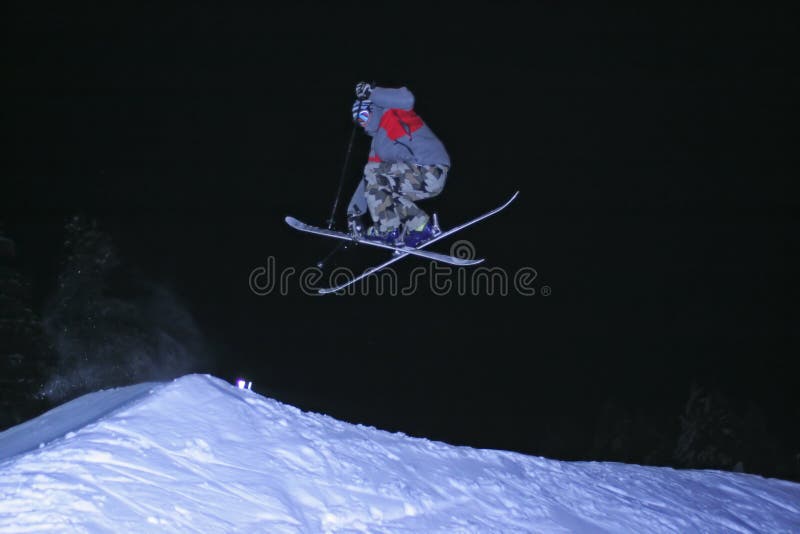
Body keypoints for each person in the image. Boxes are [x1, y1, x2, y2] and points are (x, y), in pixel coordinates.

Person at [346, 82, 451, 248]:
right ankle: (420, 227)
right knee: (383, 190)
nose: (364, 124)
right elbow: (369, 182)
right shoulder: (377, 146)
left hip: (430, 167)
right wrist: (354, 213)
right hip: (420, 177)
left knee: (375, 174)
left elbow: (407, 99)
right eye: (359, 121)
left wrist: (371, 92)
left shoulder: (392, 112)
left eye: (364, 116)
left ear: (373, 108)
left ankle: (386, 230)